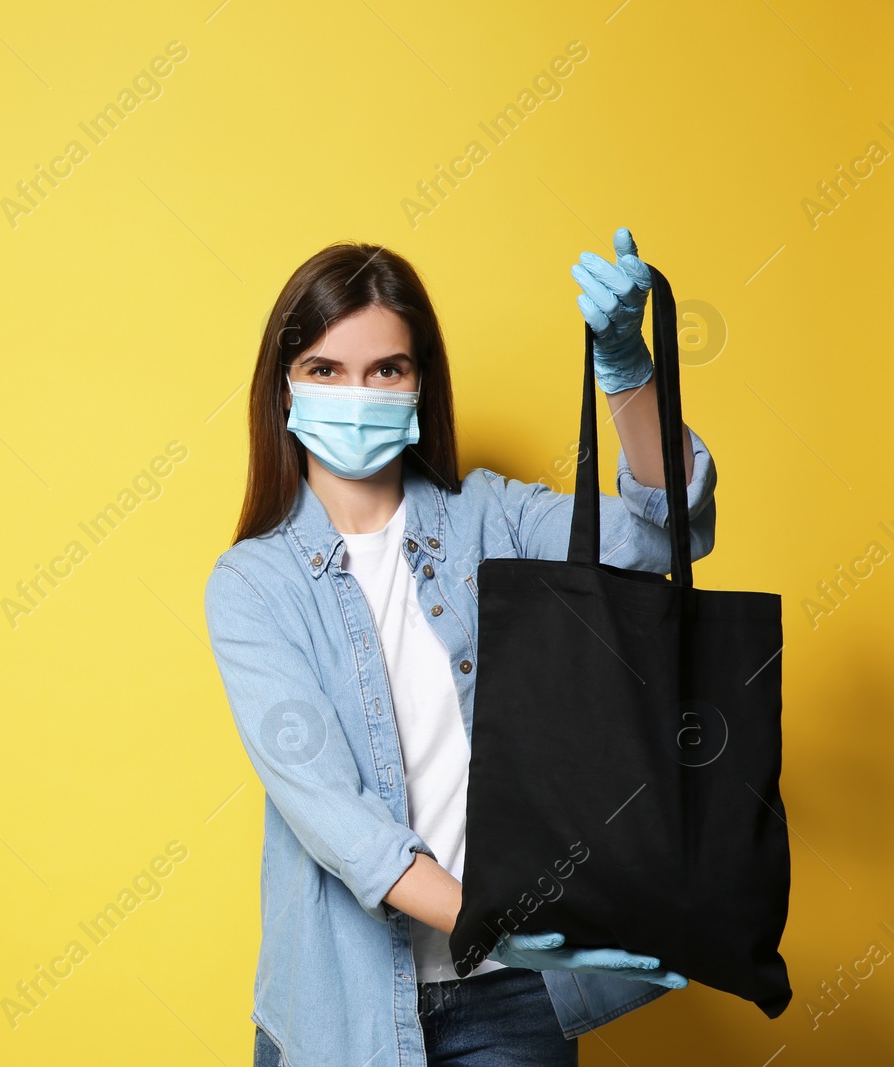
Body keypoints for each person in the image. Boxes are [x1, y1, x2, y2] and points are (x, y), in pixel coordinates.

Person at [203, 230, 712, 1067]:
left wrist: (626, 372)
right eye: (326, 370)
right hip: (341, 1010)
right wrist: (511, 917)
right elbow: (336, 818)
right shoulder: (253, 585)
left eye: (386, 369)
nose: (356, 392)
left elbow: (665, 536)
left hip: (511, 999)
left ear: (419, 383)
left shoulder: (492, 519)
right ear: (283, 388)